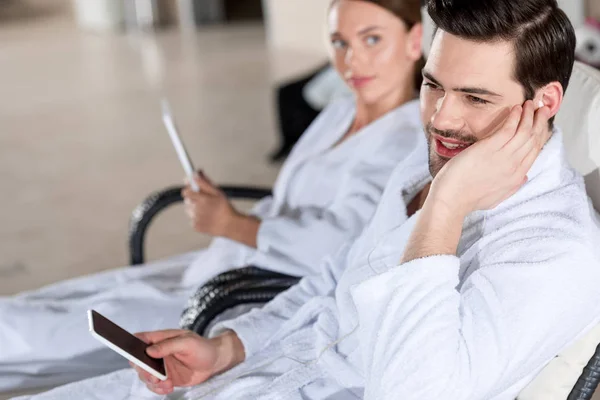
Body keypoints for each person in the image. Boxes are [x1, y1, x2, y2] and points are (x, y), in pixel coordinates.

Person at [20, 0, 600, 399]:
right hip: (260, 373)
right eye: (432, 84)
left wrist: (443, 212)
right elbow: (335, 278)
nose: (441, 118)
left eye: (475, 97)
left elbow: (413, 391)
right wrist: (228, 347)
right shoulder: (423, 160)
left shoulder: (553, 252)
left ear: (544, 102)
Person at [0, 0, 426, 394]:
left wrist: (234, 224)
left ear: (414, 40)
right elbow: (288, 198)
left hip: (250, 292)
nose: (352, 61)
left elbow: (341, 249)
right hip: (220, 260)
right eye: (339, 42)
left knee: (43, 331)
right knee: (54, 303)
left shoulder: (405, 142)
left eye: (372, 39)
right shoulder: (340, 112)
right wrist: (225, 219)